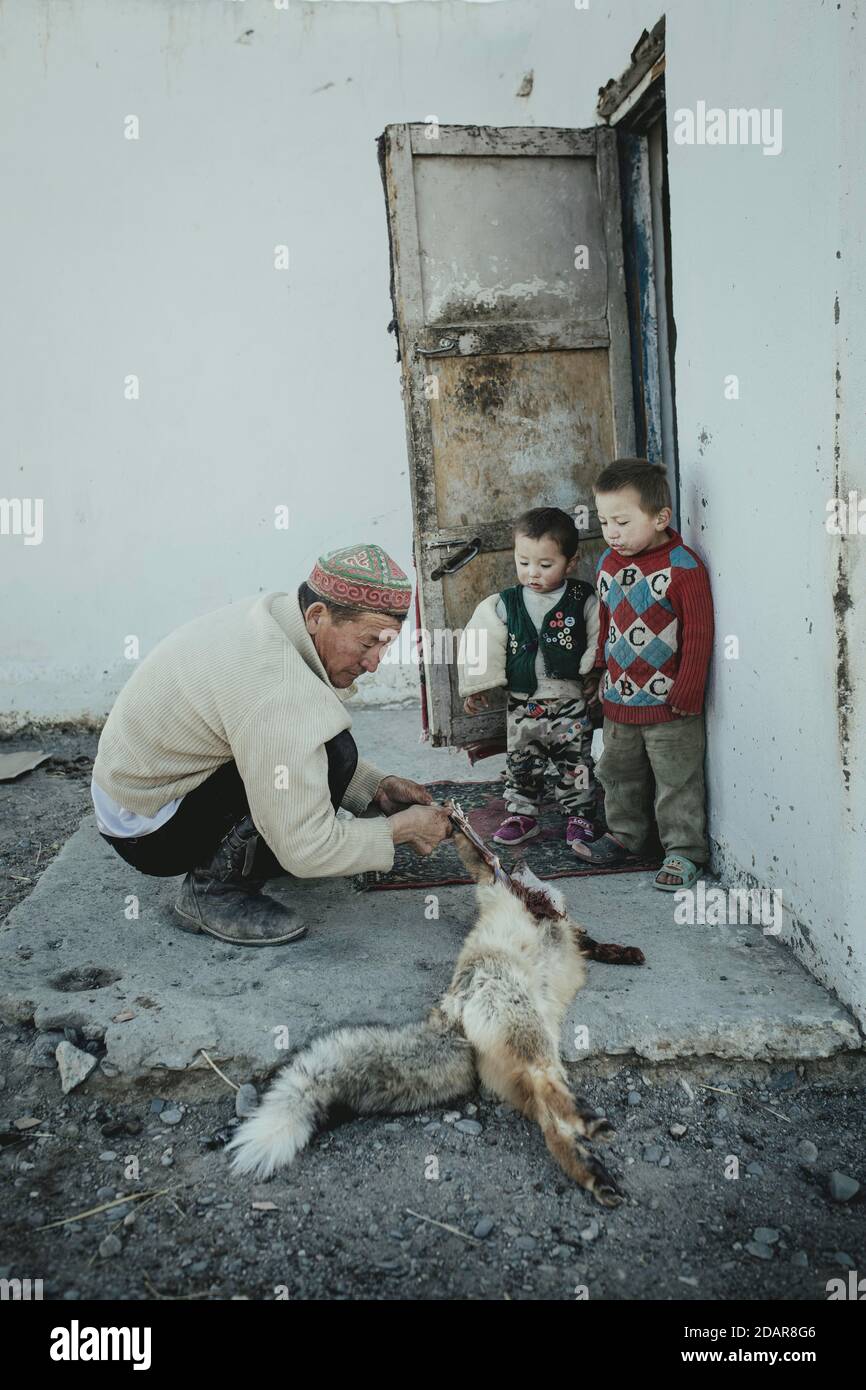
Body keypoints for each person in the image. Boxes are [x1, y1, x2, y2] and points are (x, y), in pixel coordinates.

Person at [92, 544, 453, 945]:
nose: (374, 663)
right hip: (149, 828)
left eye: (384, 645)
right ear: (318, 616)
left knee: (334, 750)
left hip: (135, 790)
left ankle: (240, 861)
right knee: (328, 753)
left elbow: (290, 742)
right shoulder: (279, 685)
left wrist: (375, 788)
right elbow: (307, 849)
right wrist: (398, 831)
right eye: (367, 643)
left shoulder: (276, 616)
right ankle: (213, 891)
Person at [571, 459, 714, 890]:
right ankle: (626, 836)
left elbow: (700, 633)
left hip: (671, 704)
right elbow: (608, 623)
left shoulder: (682, 567)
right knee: (617, 773)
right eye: (603, 521)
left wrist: (687, 691)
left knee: (677, 778)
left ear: (660, 518)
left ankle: (683, 851)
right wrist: (598, 670)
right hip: (619, 699)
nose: (611, 531)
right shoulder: (610, 565)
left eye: (622, 521)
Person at [457, 507, 600, 847]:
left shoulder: (584, 600)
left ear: (572, 560)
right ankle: (522, 814)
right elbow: (481, 636)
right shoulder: (504, 604)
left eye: (545, 565)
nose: (532, 573)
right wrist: (479, 684)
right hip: (523, 705)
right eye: (524, 562)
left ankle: (579, 814)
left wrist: (595, 672)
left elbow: (599, 636)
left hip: (569, 704)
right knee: (522, 763)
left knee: (576, 762)